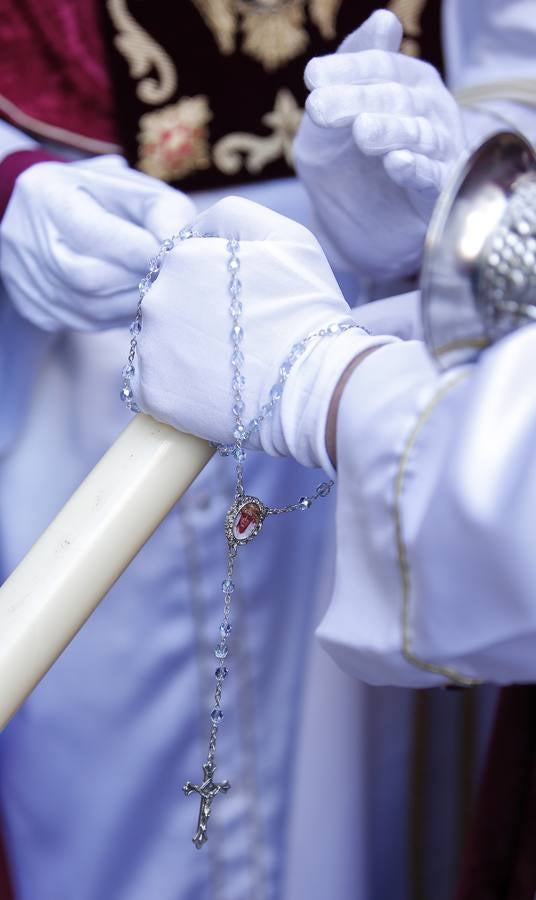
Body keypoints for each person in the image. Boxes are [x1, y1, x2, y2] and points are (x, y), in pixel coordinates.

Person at [1, 5, 535, 900]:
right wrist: (11, 184)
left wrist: (455, 181)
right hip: (87, 342)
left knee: (381, 806)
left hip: (390, 324)